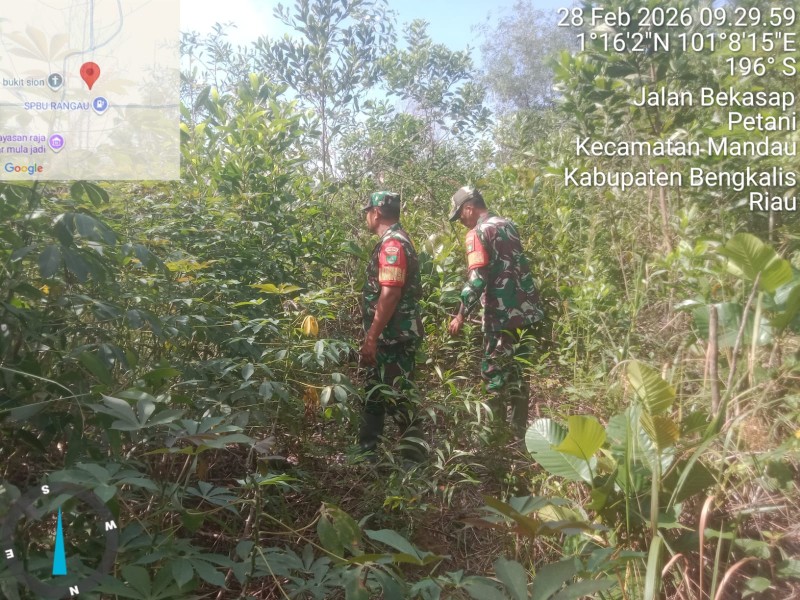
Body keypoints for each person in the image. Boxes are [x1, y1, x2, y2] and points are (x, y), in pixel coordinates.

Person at [447, 186, 543, 439]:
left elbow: (478, 278)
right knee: (519, 371)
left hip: (499, 316)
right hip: (525, 313)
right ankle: (519, 433)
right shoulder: (508, 224)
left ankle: (496, 439)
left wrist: (460, 314)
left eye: (460, 216)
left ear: (469, 208)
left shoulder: (478, 232)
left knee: (494, 372)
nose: (461, 222)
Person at [358, 191, 425, 461]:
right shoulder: (396, 240)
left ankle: (414, 464)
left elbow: (391, 293)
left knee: (399, 398)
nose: (366, 217)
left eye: (367, 212)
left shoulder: (393, 245)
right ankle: (365, 455)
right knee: (374, 393)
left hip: (393, 337)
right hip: (388, 336)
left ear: (376, 212)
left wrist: (372, 337)